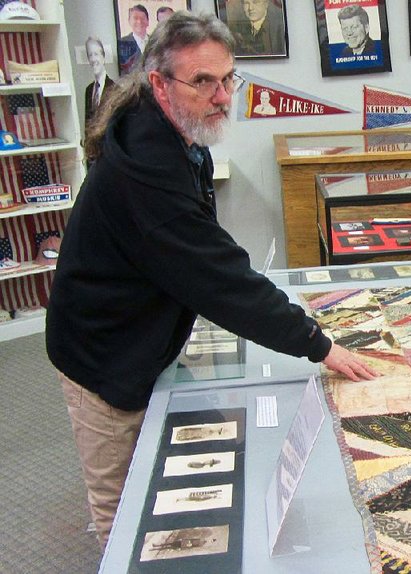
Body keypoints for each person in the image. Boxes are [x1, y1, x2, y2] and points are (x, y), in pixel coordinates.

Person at [46, 11, 377, 548]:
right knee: (122, 512)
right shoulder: (147, 168)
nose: (223, 95)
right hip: (102, 356)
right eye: (203, 81)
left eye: (228, 78)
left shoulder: (166, 127)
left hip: (134, 332)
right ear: (159, 83)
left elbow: (204, 256)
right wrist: (318, 344)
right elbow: (218, 278)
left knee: (143, 484)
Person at [83, 37, 115, 132]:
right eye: (90, 55)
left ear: (103, 57)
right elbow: (87, 124)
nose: (93, 59)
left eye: (96, 54)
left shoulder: (114, 89)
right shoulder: (89, 90)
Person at [118, 4, 149, 75]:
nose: (139, 21)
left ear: (148, 21)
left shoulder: (155, 42)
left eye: (142, 18)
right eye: (135, 18)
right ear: (129, 21)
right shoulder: (122, 44)